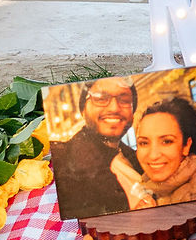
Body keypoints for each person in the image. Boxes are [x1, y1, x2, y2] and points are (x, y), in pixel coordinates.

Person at [112, 97, 196, 208]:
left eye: (166, 141)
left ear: (186, 146)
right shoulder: (151, 189)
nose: (153, 155)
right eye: (144, 143)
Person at [49, 77, 137, 216]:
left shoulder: (140, 159)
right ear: (83, 109)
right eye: (101, 99)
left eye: (124, 100)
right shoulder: (63, 158)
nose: (114, 107)